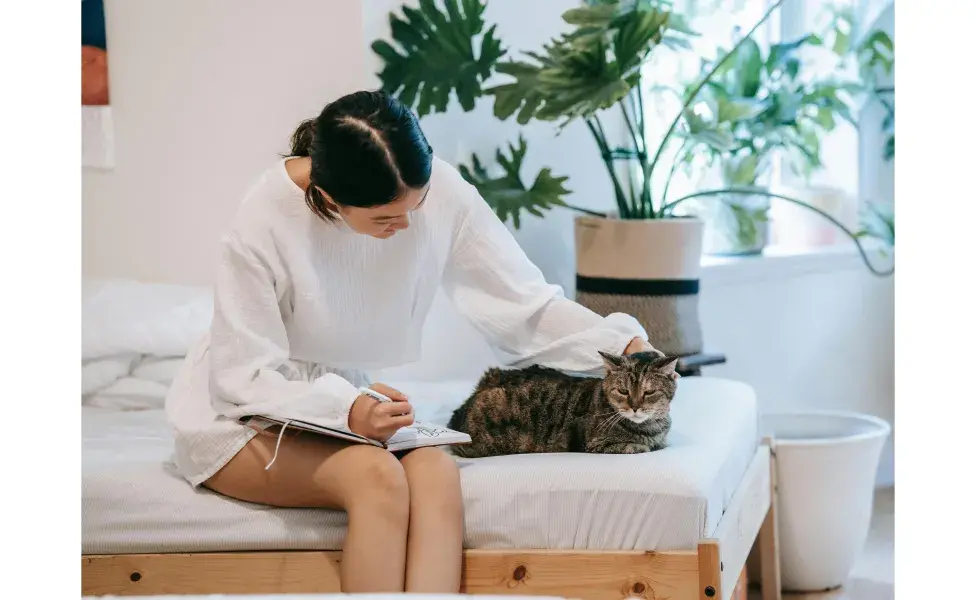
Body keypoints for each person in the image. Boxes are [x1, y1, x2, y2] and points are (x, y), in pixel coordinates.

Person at [165, 89, 657, 593]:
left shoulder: (440, 190)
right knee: (374, 478)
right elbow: (243, 375)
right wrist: (350, 408)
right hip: (245, 409)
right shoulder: (262, 221)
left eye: (415, 207)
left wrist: (624, 349)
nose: (404, 226)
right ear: (328, 198)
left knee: (436, 474)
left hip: (339, 399)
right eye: (383, 218)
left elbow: (523, 305)